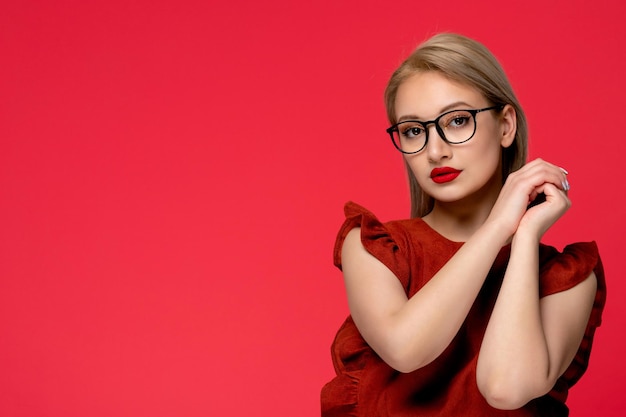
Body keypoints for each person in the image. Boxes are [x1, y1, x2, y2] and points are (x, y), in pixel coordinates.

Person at [321, 33, 606, 417]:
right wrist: (498, 227)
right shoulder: (375, 247)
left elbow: (505, 388)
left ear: (506, 126)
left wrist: (522, 237)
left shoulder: (566, 278)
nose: (435, 150)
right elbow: (406, 349)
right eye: (413, 130)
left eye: (457, 121)